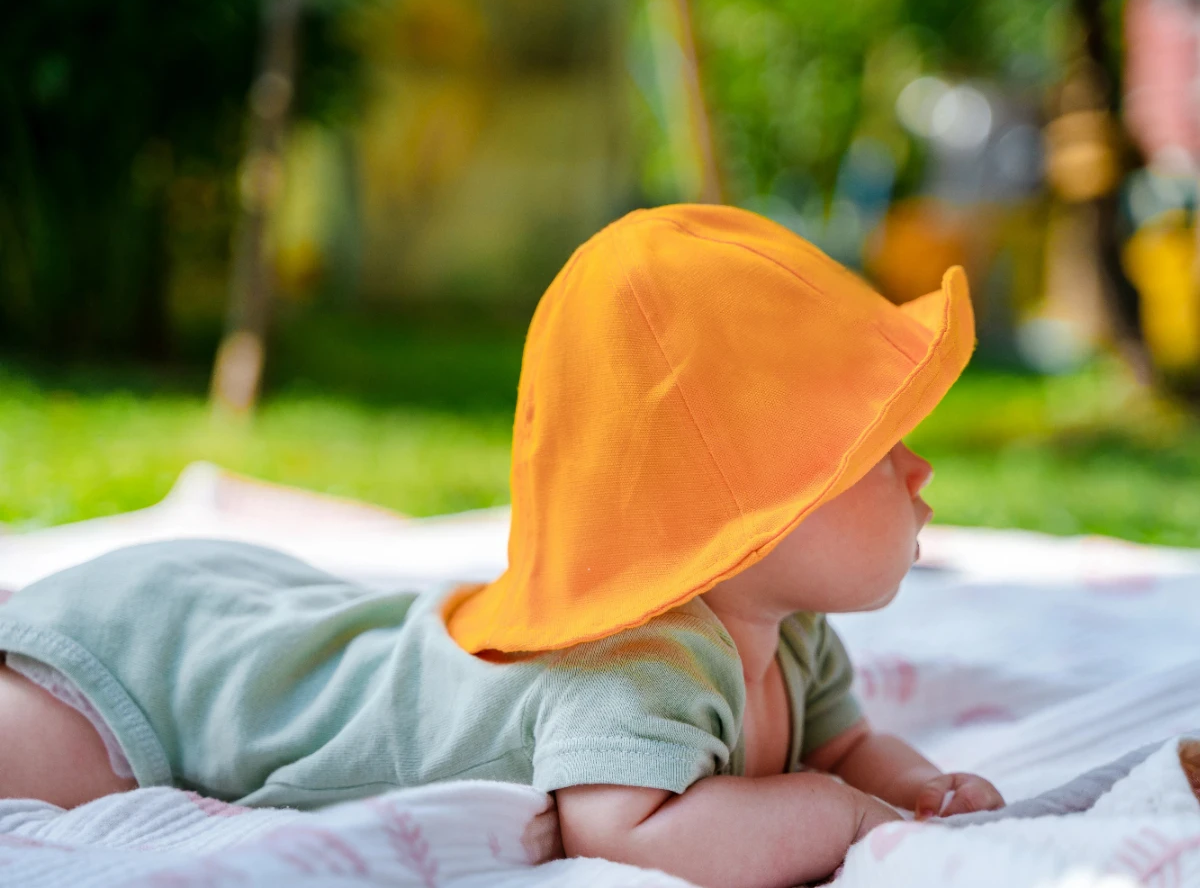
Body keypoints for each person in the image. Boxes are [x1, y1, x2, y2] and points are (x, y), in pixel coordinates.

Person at [0, 205, 1003, 888]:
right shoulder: (648, 658)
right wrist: (838, 818)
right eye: (879, 450)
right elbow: (625, 834)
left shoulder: (791, 636)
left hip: (251, 614)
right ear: (749, 508)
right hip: (153, 676)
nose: (917, 472)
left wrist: (908, 787)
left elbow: (842, 745)